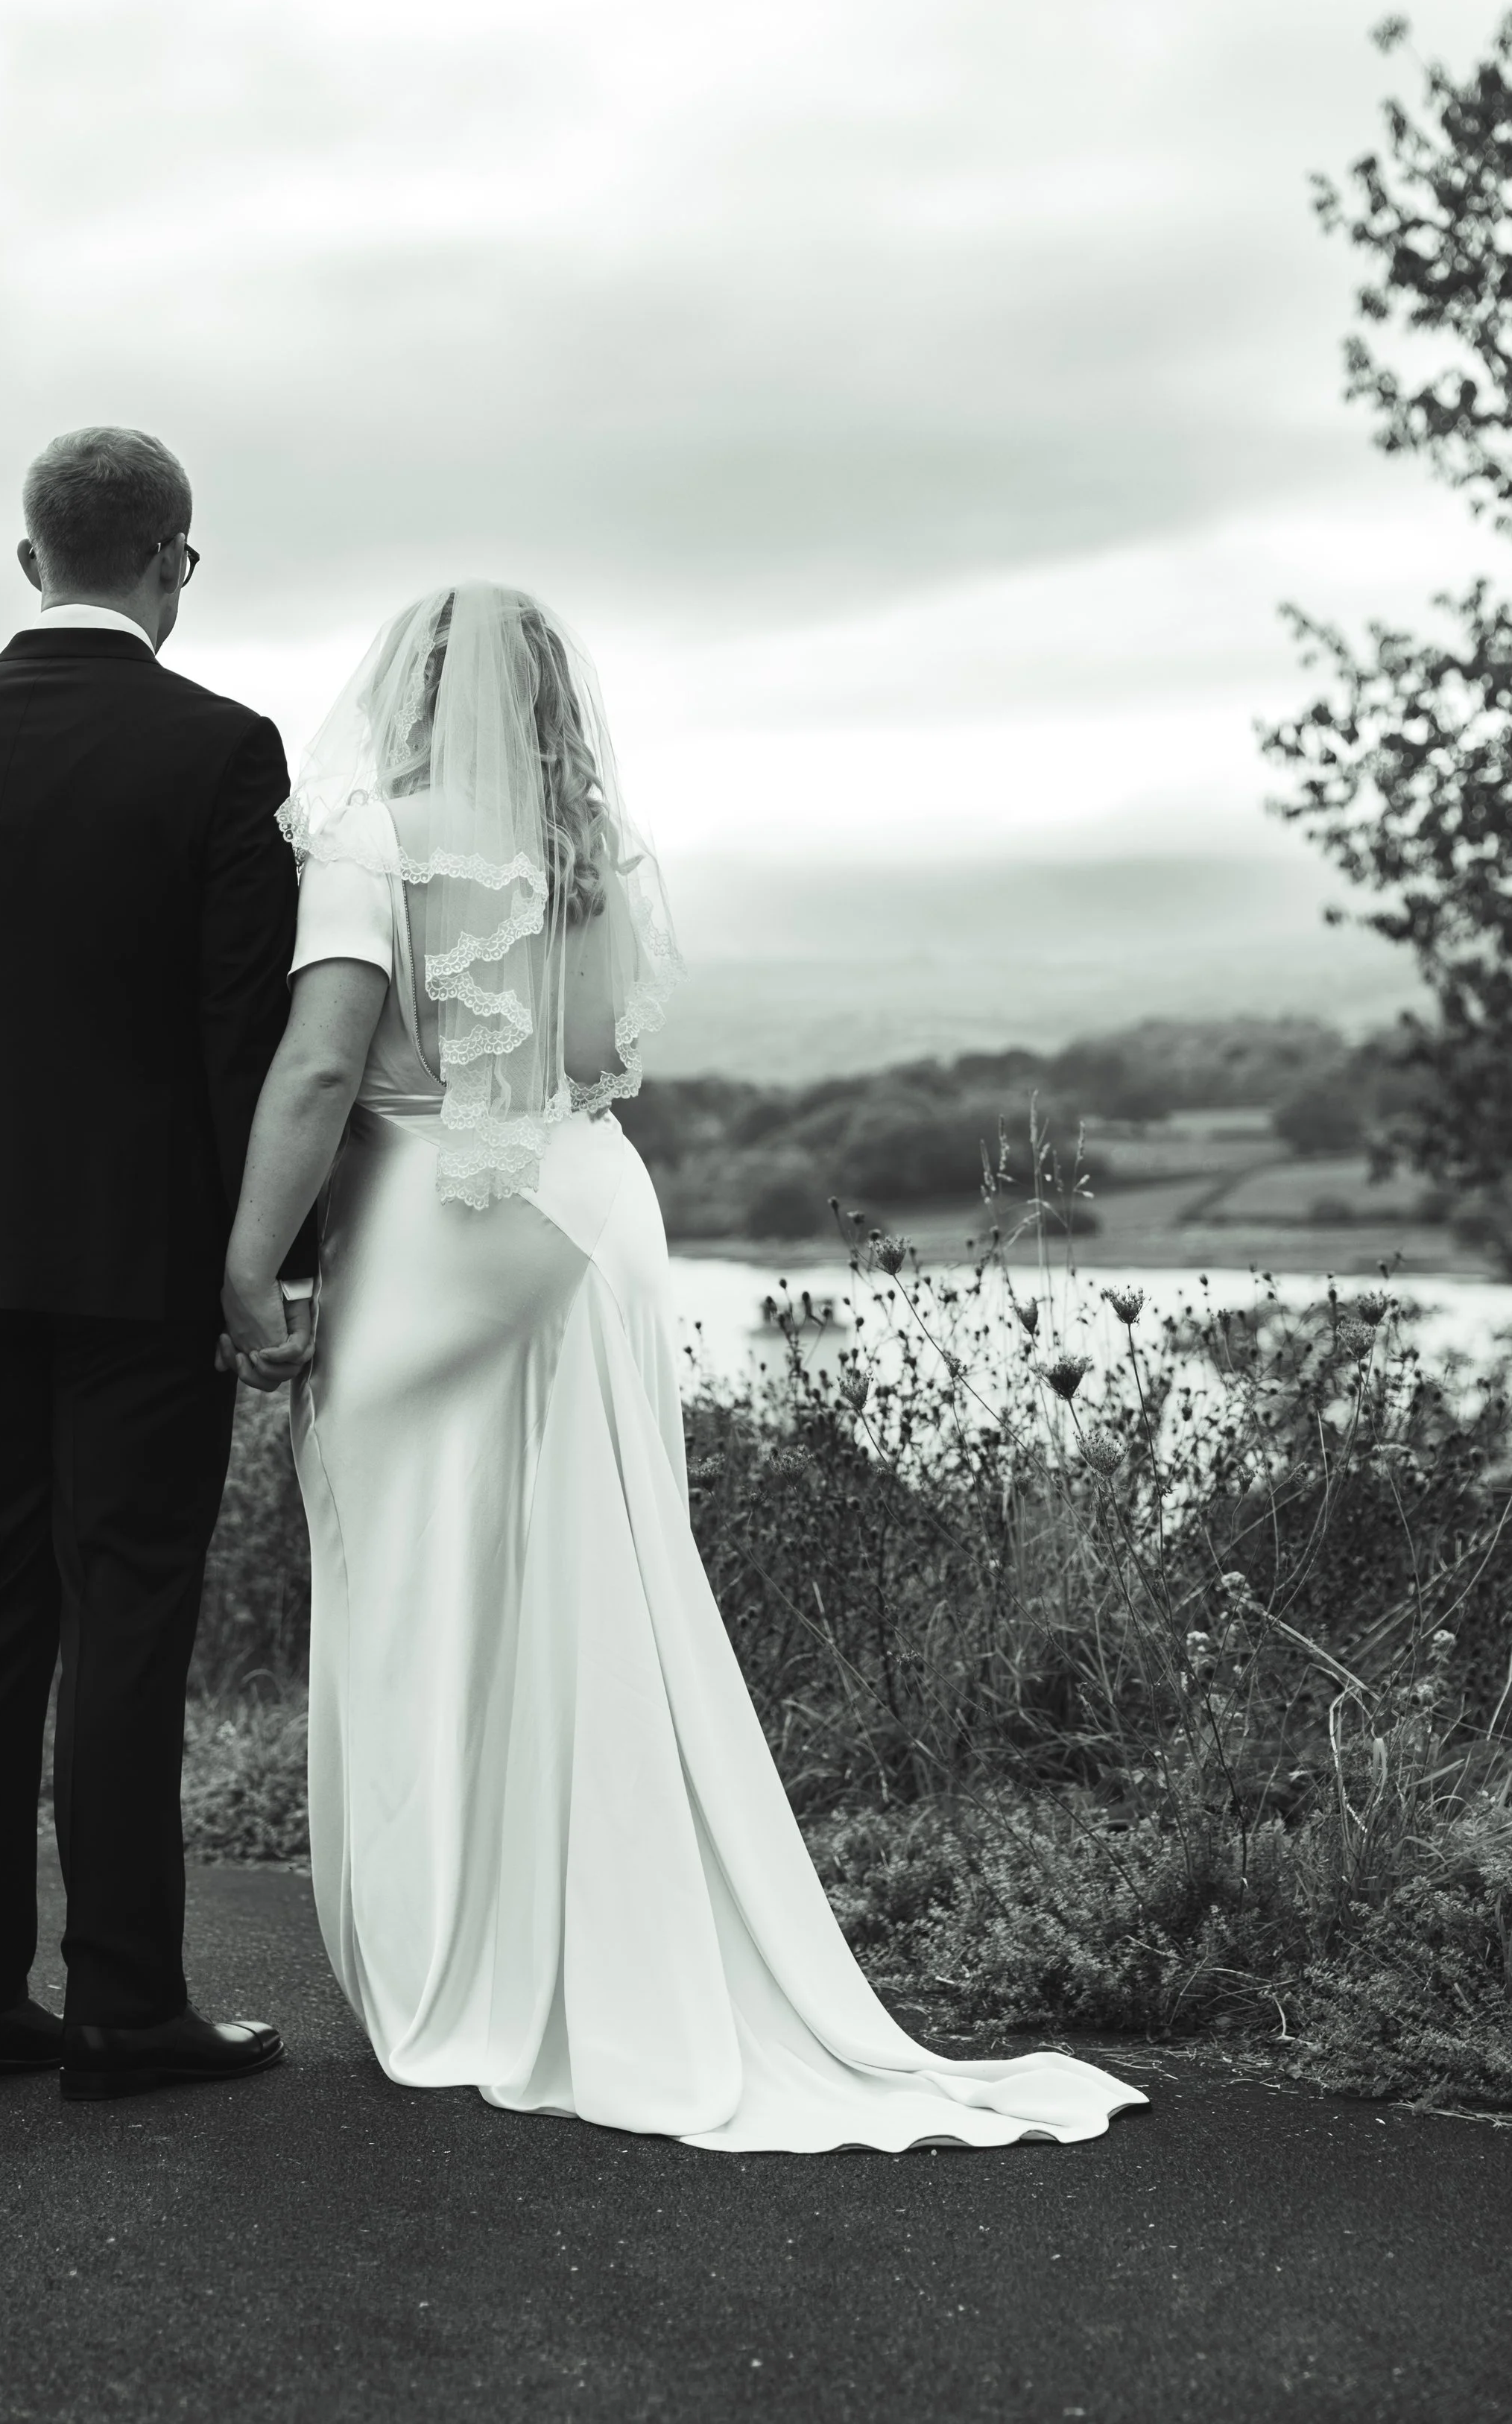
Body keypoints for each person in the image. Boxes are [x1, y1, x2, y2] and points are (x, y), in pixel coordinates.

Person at [219, 583, 1148, 2152]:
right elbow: (578, 1068)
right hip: (588, 1219)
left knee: (418, 1593)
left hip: (435, 1239)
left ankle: (448, 1963)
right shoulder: (589, 849)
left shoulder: (372, 835)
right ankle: (594, 1949)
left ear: (417, 688)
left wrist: (247, 1262)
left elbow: (321, 1061)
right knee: (595, 1592)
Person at [0, 427, 307, 2101]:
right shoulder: (220, 752)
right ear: (176, 559)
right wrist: (275, 1264)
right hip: (147, 1264)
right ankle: (121, 2004)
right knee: (129, 1611)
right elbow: (244, 1037)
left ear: (29, 561)